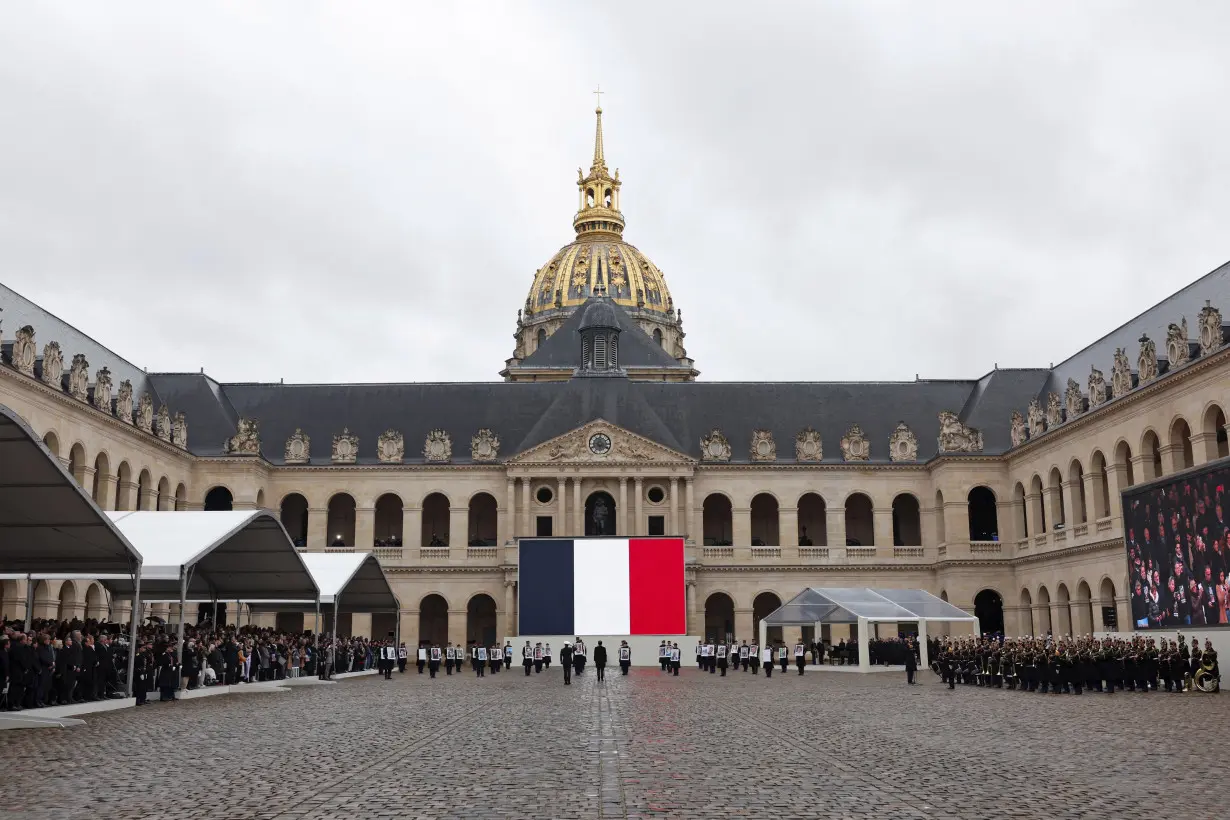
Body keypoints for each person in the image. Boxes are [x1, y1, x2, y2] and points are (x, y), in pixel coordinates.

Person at [133, 641, 153, 706]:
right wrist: (140, 672)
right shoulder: (137, 655)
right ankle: (138, 700)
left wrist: (145, 672)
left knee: (144, 687)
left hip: (144, 672)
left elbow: (146, 663)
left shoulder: (143, 654)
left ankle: (143, 699)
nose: (144, 649)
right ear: (140, 648)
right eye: (143, 648)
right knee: (139, 687)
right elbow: (137, 665)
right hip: (139, 673)